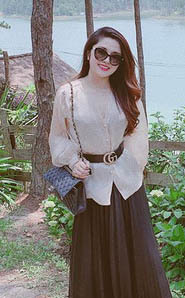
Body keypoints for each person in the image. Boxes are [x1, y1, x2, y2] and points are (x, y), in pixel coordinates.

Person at [48, 26, 172, 298]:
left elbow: (138, 134)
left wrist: (133, 166)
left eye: (115, 57)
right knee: (95, 262)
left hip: (128, 186)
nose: (106, 61)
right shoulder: (68, 94)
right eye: (101, 53)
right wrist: (72, 161)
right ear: (89, 53)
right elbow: (57, 138)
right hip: (92, 186)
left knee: (139, 257)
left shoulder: (126, 92)